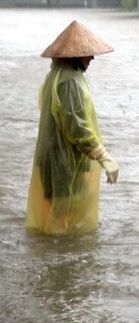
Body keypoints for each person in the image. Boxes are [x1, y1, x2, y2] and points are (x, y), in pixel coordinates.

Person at [26, 20, 119, 235]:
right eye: (86, 53)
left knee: (60, 215)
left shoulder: (56, 76)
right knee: (62, 217)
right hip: (64, 164)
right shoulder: (69, 82)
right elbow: (77, 128)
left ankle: (51, 258)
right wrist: (103, 156)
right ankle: (57, 263)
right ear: (74, 55)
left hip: (55, 159)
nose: (92, 57)